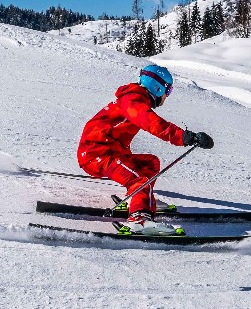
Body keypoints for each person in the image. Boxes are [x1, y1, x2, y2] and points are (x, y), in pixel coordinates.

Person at [77, 65, 213, 235]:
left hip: (107, 151)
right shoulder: (133, 100)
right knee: (139, 181)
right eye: (168, 90)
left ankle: (139, 200)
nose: (167, 96)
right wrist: (183, 137)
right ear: (157, 87)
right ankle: (139, 220)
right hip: (97, 154)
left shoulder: (135, 98)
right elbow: (149, 121)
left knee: (150, 163)